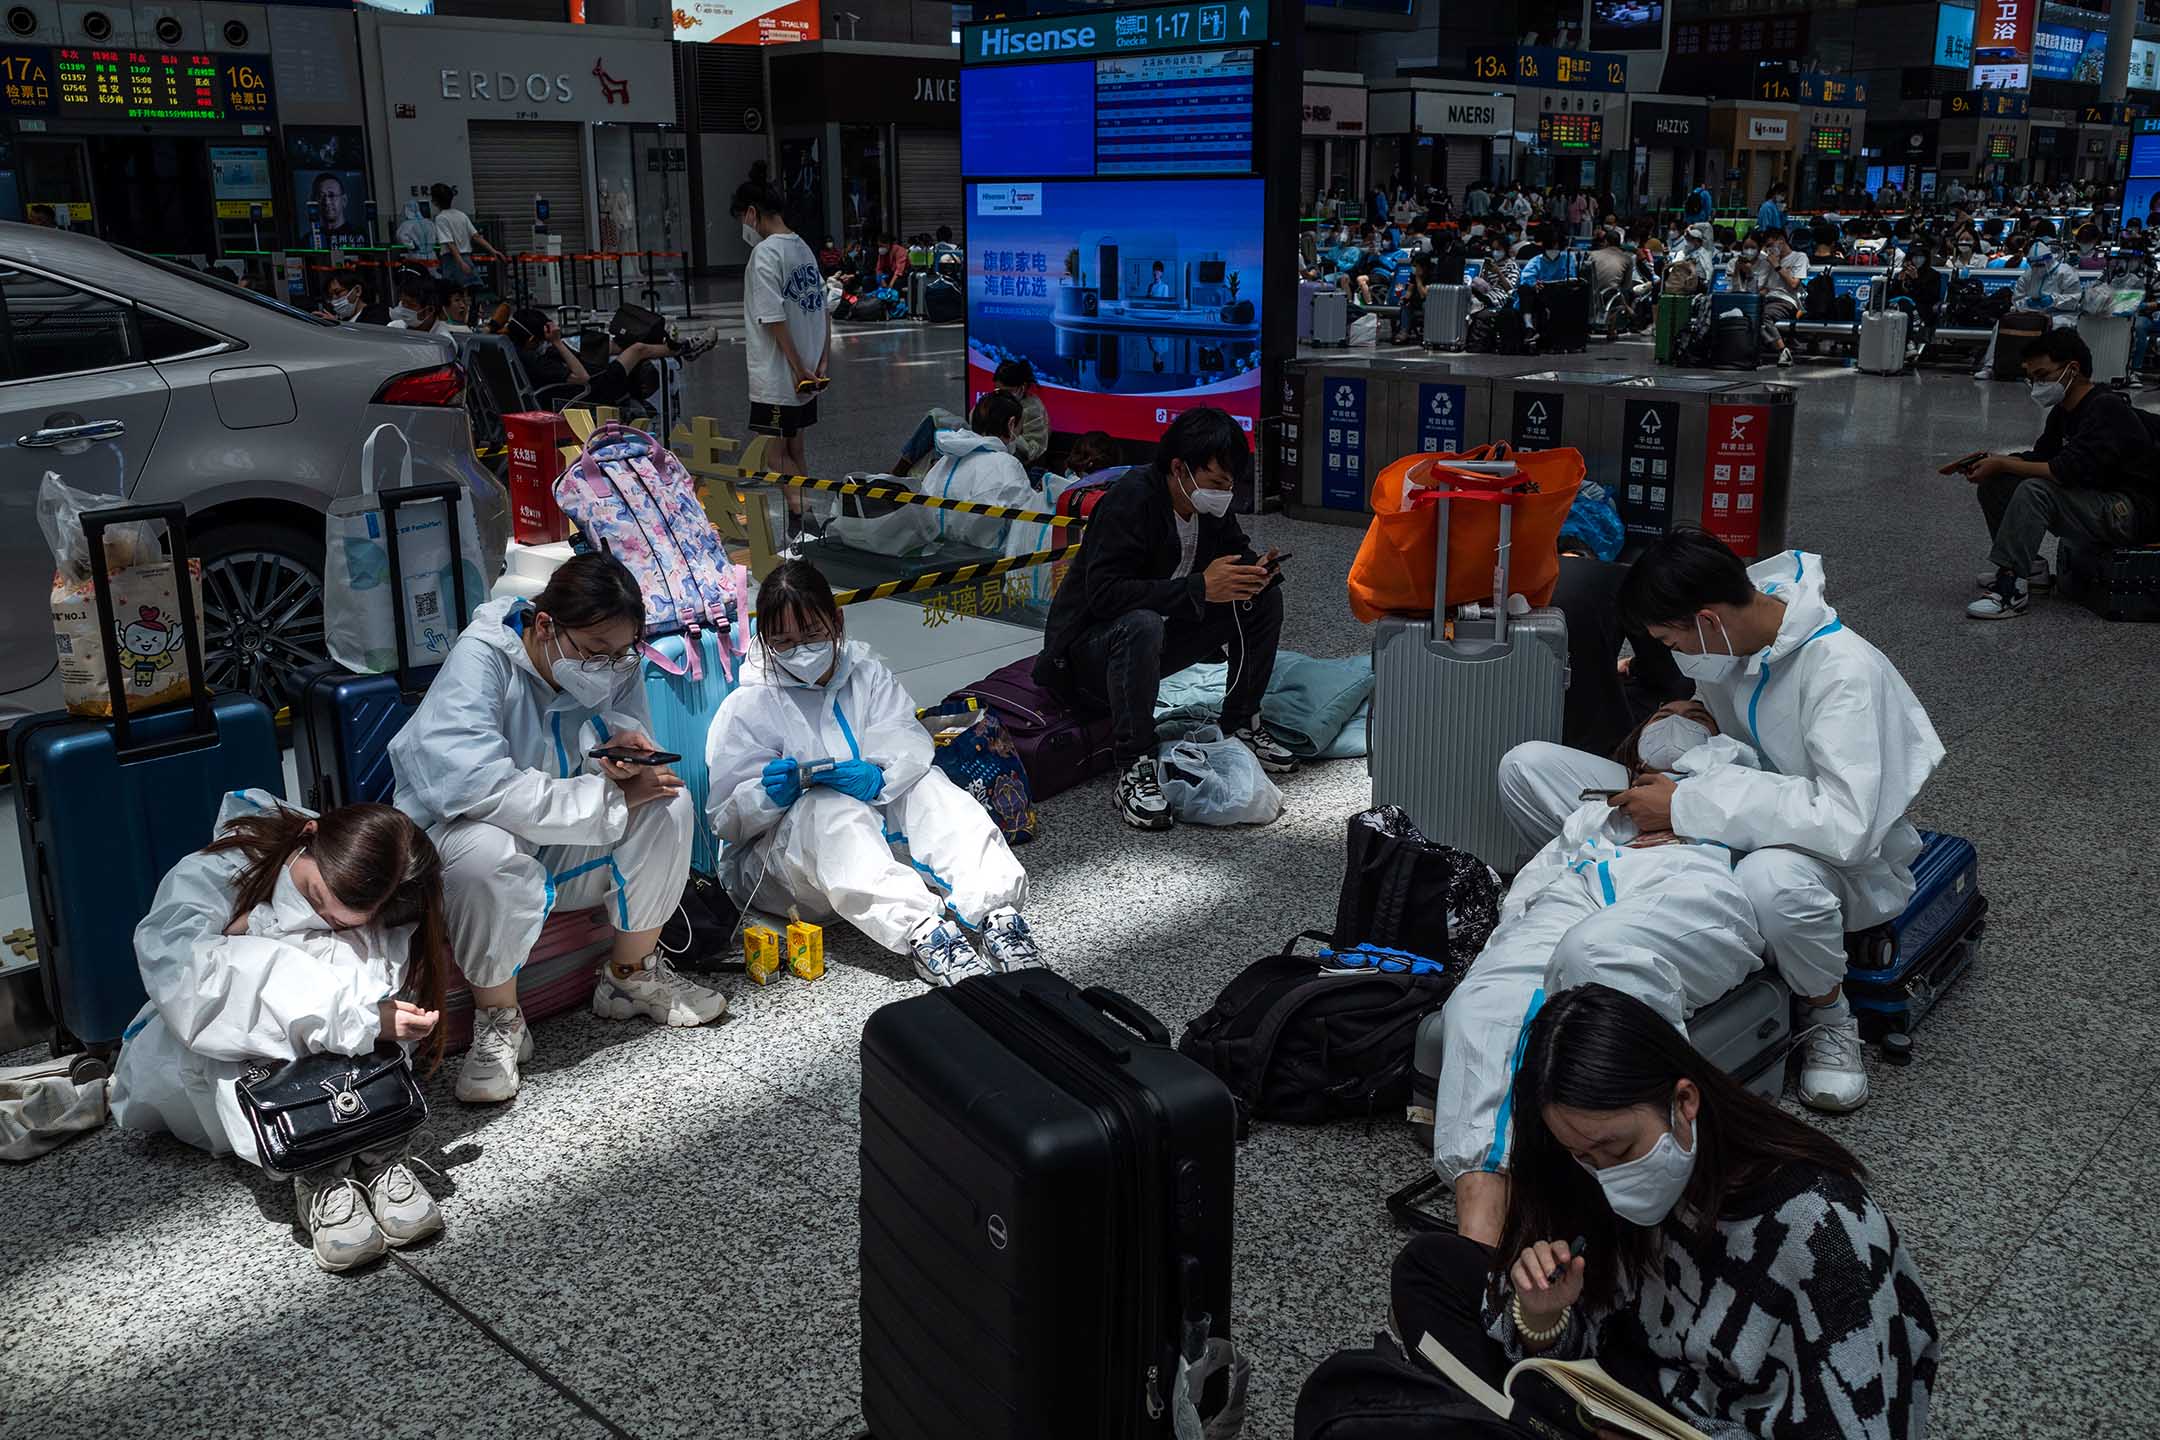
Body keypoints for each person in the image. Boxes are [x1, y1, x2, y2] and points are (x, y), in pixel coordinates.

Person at [1498, 530, 1945, 1116]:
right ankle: (1636, 898)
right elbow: (1725, 737)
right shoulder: (1733, 641)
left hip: (1819, 855)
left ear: (1705, 619)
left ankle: (1828, 1012)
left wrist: (1684, 808)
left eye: (1669, 639)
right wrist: (1688, 730)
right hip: (1713, 811)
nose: (1672, 653)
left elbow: (1847, 824)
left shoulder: (1843, 673)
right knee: (1528, 767)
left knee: (1772, 882)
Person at [1385, 985, 1938, 1440]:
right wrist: (1542, 1316)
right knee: (1430, 1267)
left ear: (1684, 1102)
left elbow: (1862, 1425)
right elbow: (1590, 1343)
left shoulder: (1821, 1226)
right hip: (1618, 1401)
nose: (1607, 1175)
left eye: (1621, 1151)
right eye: (1584, 1157)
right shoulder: (1588, 1180)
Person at [389, 553, 727, 1105]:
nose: (610, 667)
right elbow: (475, 787)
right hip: (466, 841)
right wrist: (606, 800)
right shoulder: (483, 660)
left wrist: (622, 756)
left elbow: (626, 725)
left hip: (568, 836)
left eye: (623, 655)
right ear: (545, 626)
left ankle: (630, 974)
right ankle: (498, 1018)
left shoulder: (611, 659)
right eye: (596, 653)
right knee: (486, 854)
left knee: (668, 803)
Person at [1437, 703, 1772, 1244]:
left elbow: (1797, 826)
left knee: (1595, 955)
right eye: (1664, 710)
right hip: (1584, 885)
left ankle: (1654, 1147)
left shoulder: (1740, 770)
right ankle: (1480, 1229)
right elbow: (1539, 874)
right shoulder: (1601, 806)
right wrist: (1516, 932)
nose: (1677, 713)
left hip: (1691, 887)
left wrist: (1687, 809)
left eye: (1693, 708)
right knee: (1481, 1003)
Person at [107, 790, 452, 1273]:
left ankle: (379, 1149)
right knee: (269, 965)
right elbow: (190, 985)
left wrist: (361, 1011)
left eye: (340, 915)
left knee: (350, 954)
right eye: (314, 898)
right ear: (308, 836)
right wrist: (356, 1019)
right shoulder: (216, 870)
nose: (323, 916)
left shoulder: (378, 880)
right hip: (217, 1056)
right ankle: (317, 1168)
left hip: (333, 1040)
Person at [704, 561, 1038, 987]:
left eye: (811, 635)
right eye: (783, 642)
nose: (800, 651)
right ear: (765, 640)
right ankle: (925, 933)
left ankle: (998, 915)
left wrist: (879, 774)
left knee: (930, 786)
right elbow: (725, 822)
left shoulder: (867, 675)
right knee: (826, 808)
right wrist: (768, 797)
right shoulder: (748, 707)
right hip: (785, 877)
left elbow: (907, 742)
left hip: (875, 852)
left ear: (837, 620)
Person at [1034, 407, 1295, 831]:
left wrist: (1254, 569)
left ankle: (1241, 721)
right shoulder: (1132, 500)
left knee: (1260, 599)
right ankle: (1134, 762)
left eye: (1229, 485)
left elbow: (1232, 550)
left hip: (1154, 642)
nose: (1224, 494)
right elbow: (1104, 596)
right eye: (1216, 482)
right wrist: (1199, 588)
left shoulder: (1207, 504)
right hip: (1089, 657)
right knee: (1142, 622)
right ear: (1179, 468)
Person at [1962, 328, 2160, 619]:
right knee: (1999, 483)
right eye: (2032, 379)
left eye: (2042, 376)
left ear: (2073, 369)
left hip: (2131, 511)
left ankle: (2010, 590)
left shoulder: (2106, 408)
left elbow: (2062, 471)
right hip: (2099, 500)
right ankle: (2032, 570)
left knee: (2036, 491)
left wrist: (2004, 463)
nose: (2037, 385)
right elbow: (2042, 457)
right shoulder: (2064, 410)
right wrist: (1995, 462)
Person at [732, 176, 830, 522]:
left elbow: (773, 318)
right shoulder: (802, 247)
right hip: (807, 374)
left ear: (752, 213)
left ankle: (804, 515)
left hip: (778, 376)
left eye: (742, 220)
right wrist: (820, 360)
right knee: (795, 447)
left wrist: (795, 366)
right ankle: (802, 518)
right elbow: (822, 308)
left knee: (773, 454)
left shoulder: (764, 253)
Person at [1973, 236, 2085, 378]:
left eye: (2040, 264)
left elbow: (2075, 298)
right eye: (2034, 264)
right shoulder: (2028, 275)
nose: (2037, 268)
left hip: (2059, 314)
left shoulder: (2066, 273)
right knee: (2001, 324)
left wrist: (2053, 300)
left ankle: (2050, 370)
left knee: (2058, 328)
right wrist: (2028, 303)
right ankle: (1992, 366)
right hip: (2031, 313)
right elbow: (2017, 299)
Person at [506, 306, 591, 391]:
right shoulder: (534, 361)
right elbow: (583, 378)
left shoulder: (508, 349)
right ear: (531, 340)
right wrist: (557, 341)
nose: (545, 343)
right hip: (553, 400)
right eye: (544, 340)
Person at [430, 183, 500, 287]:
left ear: (435, 201)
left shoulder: (441, 218)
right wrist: (493, 250)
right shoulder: (461, 215)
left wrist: (460, 262)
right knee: (470, 292)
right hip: (467, 258)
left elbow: (450, 243)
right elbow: (476, 236)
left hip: (452, 260)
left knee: (453, 293)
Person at [1753, 228, 1805, 366]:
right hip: (1768, 298)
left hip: (1786, 300)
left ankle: (1783, 351)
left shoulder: (1799, 257)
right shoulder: (1768, 261)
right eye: (1767, 246)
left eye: (1771, 245)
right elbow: (1762, 286)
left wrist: (1777, 265)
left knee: (1764, 316)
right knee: (1747, 313)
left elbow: (1793, 284)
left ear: (1781, 241)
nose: (1769, 249)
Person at [993, 358, 1051, 467]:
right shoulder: (993, 400)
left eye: (1007, 391)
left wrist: (1011, 434)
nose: (1001, 396)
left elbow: (1033, 452)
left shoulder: (1033, 409)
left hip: (1025, 467)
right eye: (997, 391)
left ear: (1022, 388)